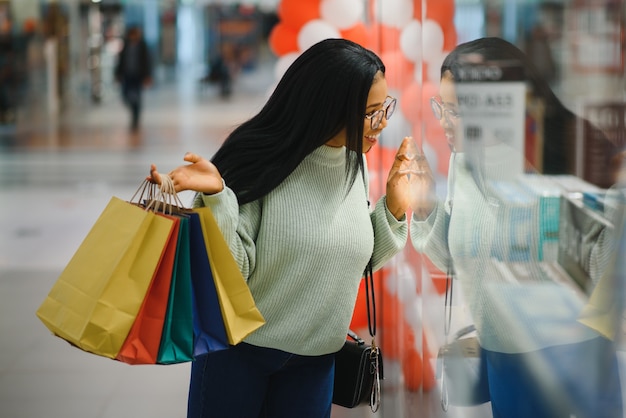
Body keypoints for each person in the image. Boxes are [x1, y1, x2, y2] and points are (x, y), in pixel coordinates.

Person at [149, 38, 413, 417]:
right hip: (240, 354)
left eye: (384, 108)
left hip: (317, 361)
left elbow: (350, 259)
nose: (382, 122)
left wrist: (393, 209)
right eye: (371, 112)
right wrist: (219, 198)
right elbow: (231, 274)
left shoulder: (355, 161)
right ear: (330, 107)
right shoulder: (259, 159)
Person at [410, 37, 623, 418]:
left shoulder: (559, 165)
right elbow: (458, 259)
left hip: (564, 357)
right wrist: (425, 204)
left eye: (456, 111)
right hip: (502, 356)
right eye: (441, 107)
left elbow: (607, 267)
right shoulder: (465, 165)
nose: (443, 121)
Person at [114, 25, 152, 131]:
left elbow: (146, 62)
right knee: (125, 96)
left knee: (137, 98)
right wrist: (117, 74)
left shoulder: (142, 45)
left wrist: (147, 76)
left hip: (138, 76)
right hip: (127, 75)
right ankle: (133, 111)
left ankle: (135, 118)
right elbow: (120, 61)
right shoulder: (126, 45)